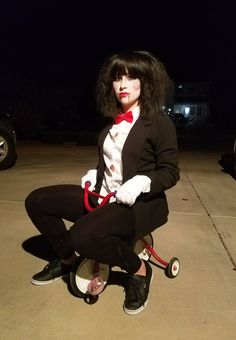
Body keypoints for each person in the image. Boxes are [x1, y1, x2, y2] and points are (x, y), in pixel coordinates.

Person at [25, 50, 180, 315]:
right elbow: (109, 165)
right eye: (117, 78)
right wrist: (93, 175)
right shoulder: (109, 126)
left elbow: (170, 172)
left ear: (145, 82)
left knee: (81, 236)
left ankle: (139, 270)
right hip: (102, 196)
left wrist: (142, 182)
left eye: (131, 78)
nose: (122, 85)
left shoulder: (159, 123)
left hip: (135, 206)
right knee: (37, 201)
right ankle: (66, 260)